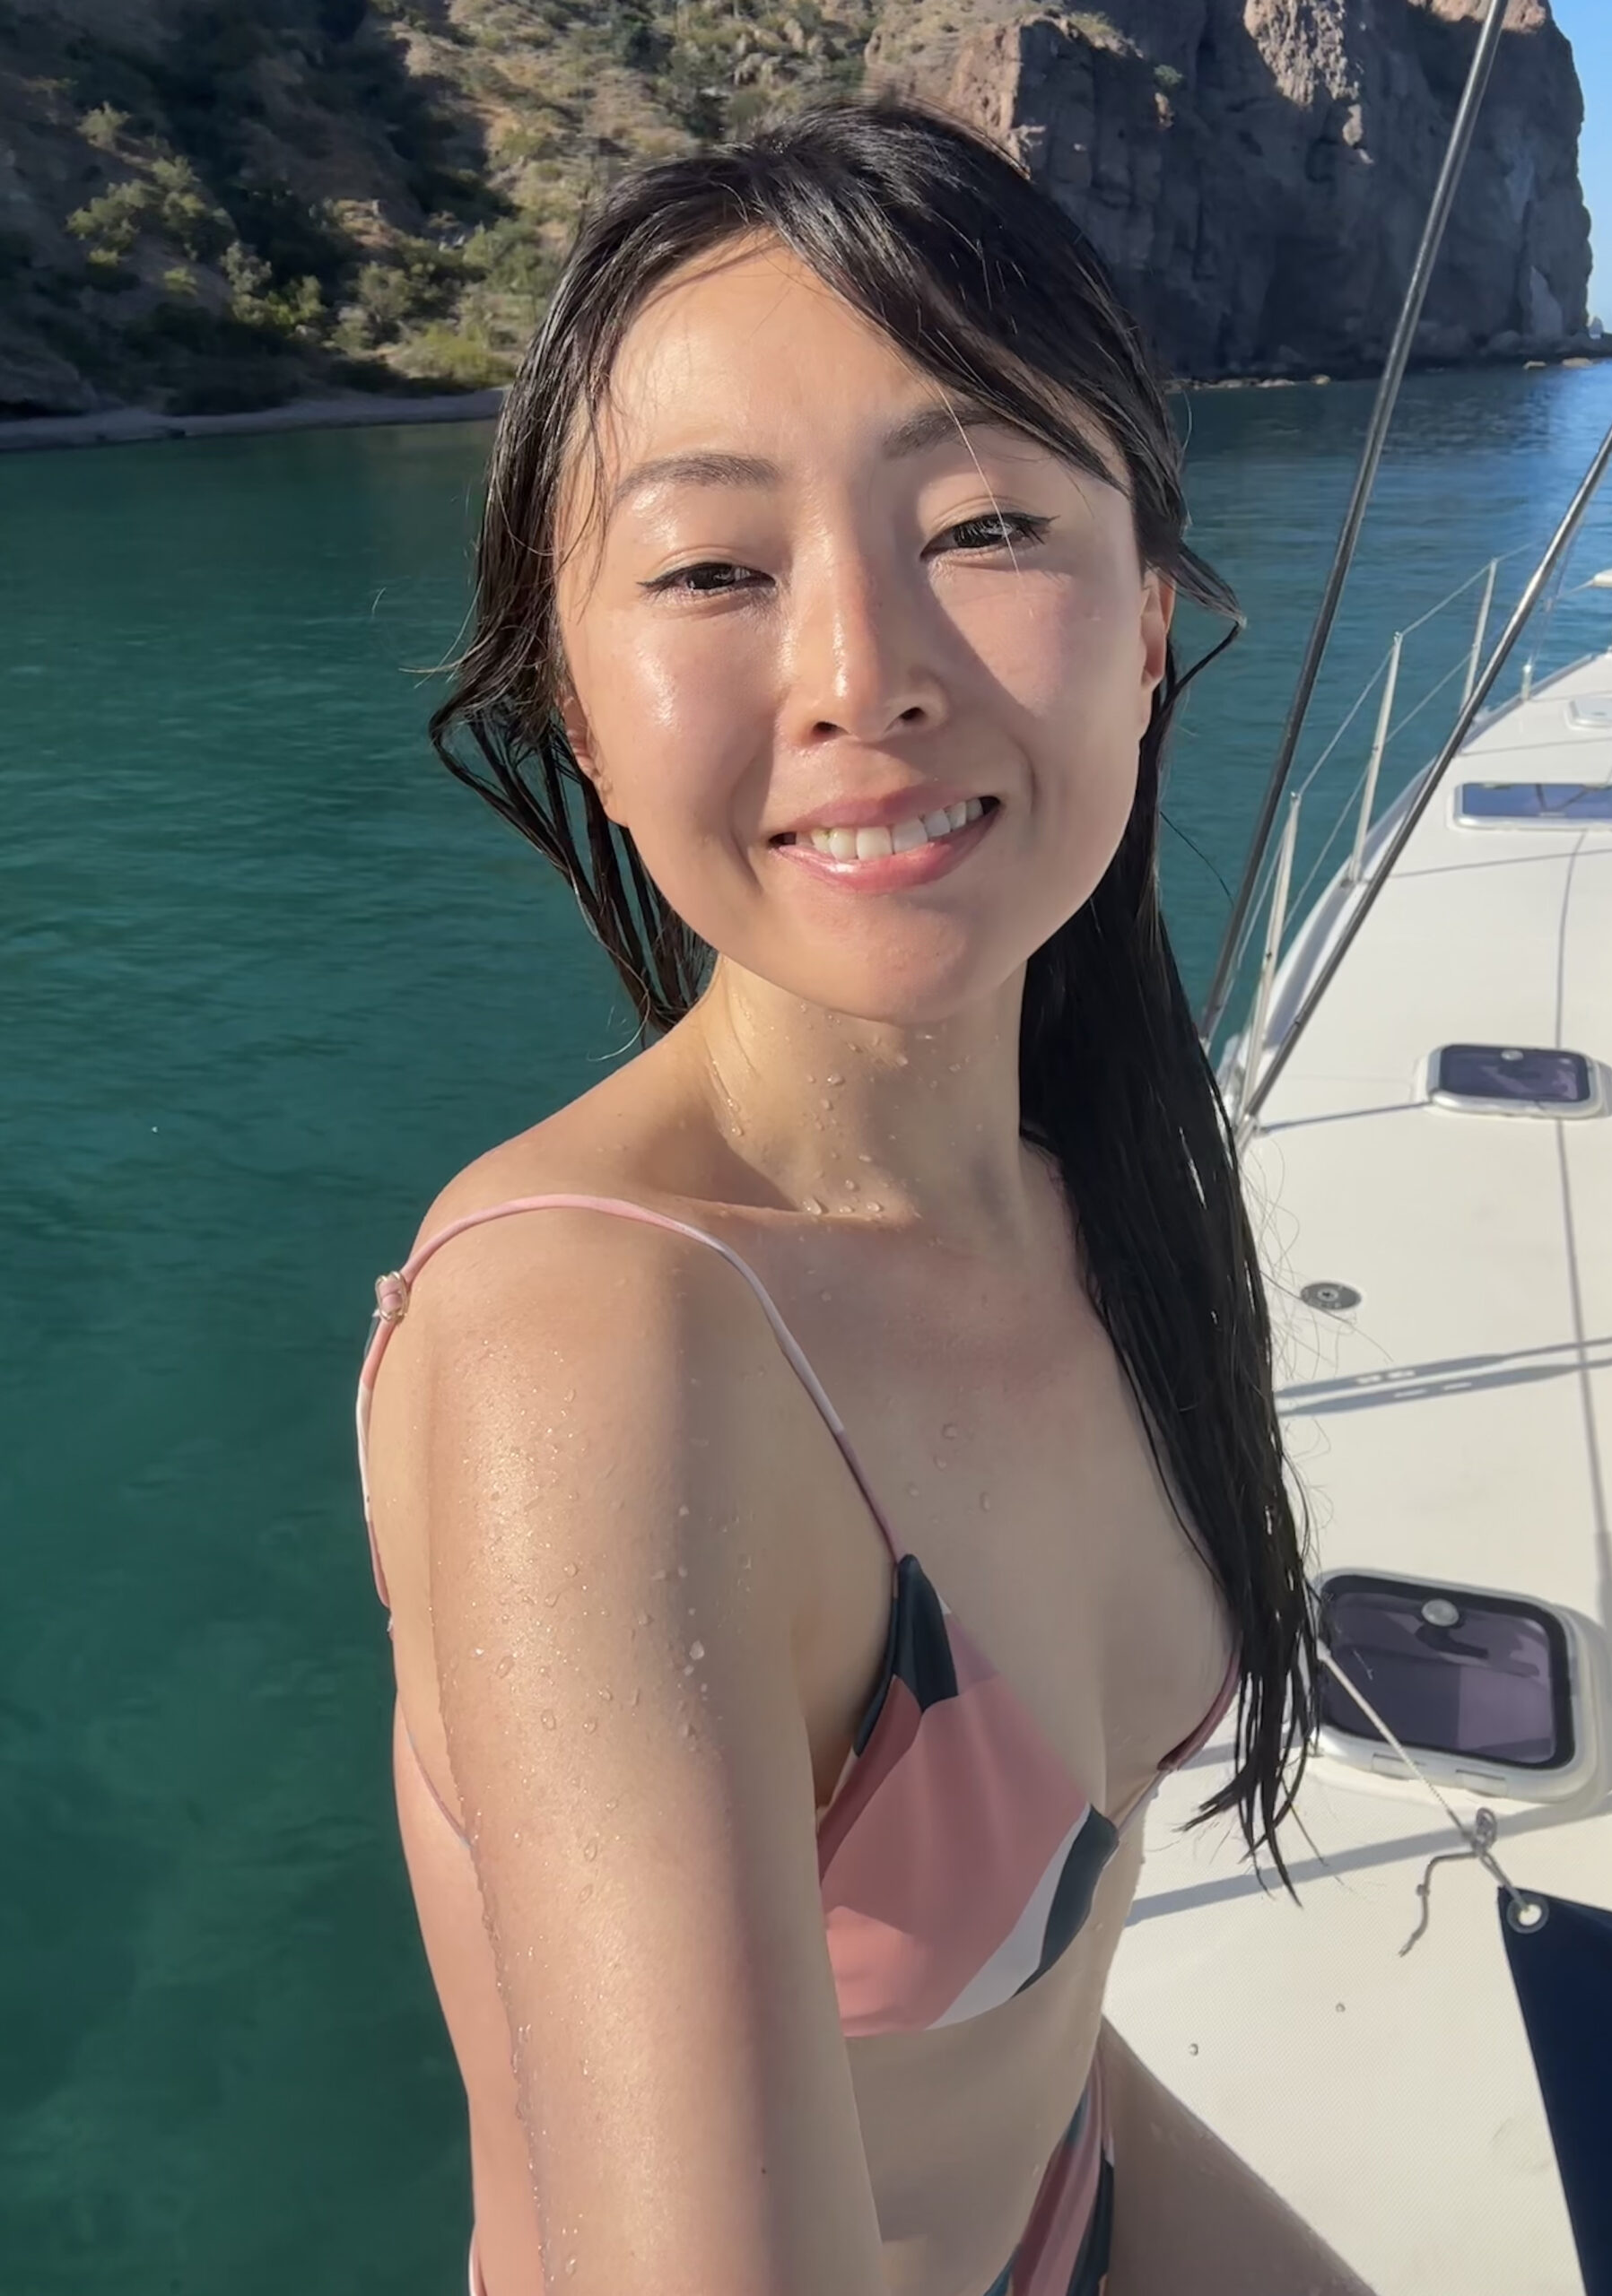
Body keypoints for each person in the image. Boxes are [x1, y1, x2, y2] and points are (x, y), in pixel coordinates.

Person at [355, 97, 1373, 2296]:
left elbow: (1041, 2027)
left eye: (989, 521)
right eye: (718, 568)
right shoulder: (599, 1349)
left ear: (1149, 620)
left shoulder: (1095, 1206)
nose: (863, 674)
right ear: (576, 703)